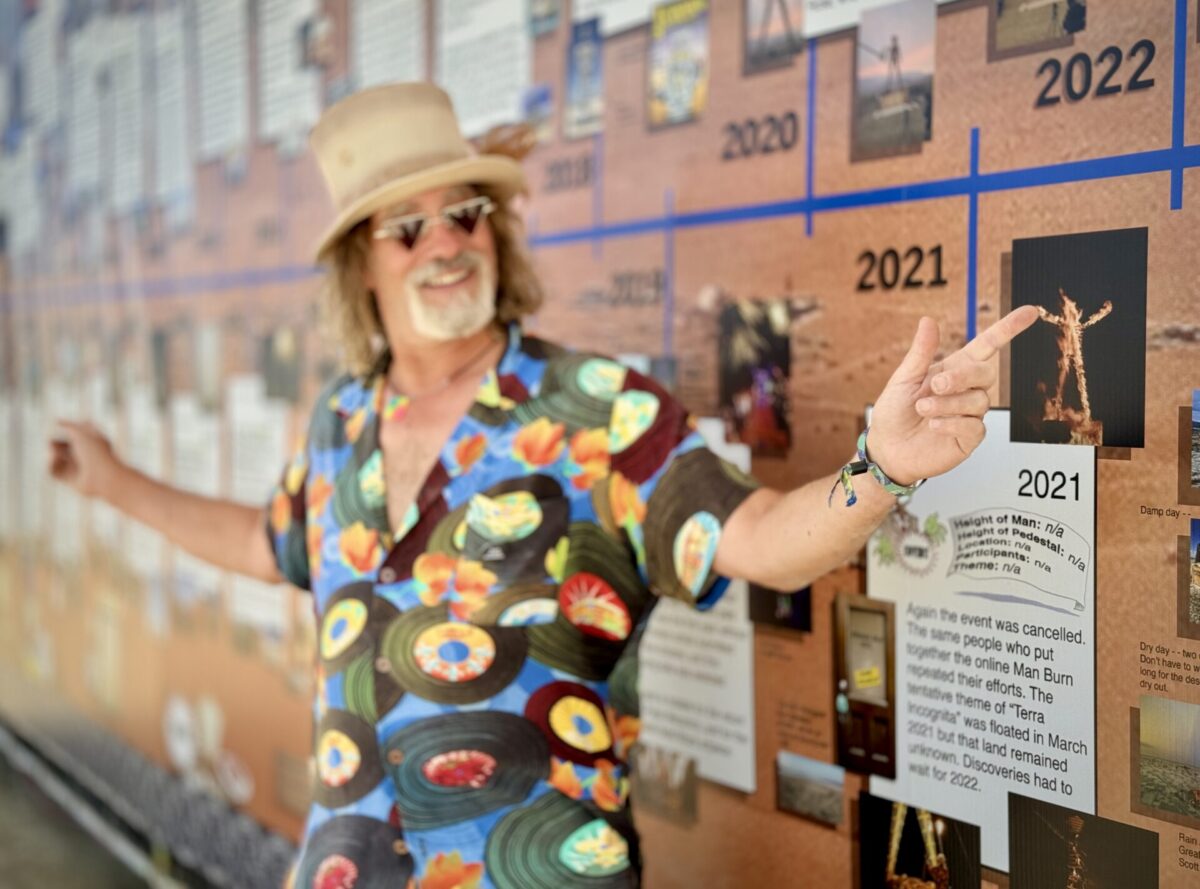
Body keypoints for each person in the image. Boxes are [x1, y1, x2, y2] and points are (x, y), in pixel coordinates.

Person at [48, 83, 1036, 887]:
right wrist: (114, 482)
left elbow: (758, 534)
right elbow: (270, 545)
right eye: (407, 226)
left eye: (465, 214)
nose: (445, 241)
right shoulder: (340, 422)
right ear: (361, 266)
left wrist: (881, 469)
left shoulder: (596, 406)